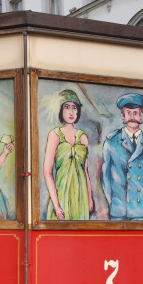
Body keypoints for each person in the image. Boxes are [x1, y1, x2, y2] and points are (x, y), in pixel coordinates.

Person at [102, 93, 143, 221]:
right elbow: (105, 177)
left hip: (142, 210)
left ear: (141, 115)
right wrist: (115, 202)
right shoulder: (111, 141)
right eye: (128, 113)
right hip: (119, 210)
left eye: (135, 113)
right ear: (123, 116)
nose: (132, 117)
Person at [43, 89, 94, 220]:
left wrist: (89, 199)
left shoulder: (83, 137)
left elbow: (86, 171)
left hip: (80, 196)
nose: (71, 112)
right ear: (61, 110)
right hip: (61, 195)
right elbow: (47, 172)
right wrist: (56, 204)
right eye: (67, 107)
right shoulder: (54, 135)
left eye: (74, 107)